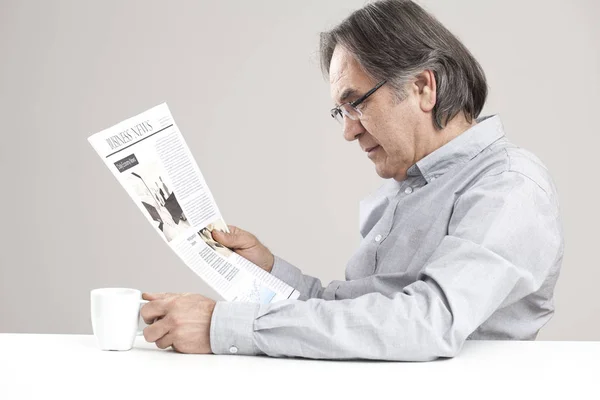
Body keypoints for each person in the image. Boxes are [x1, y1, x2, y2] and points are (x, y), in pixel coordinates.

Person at [140, 0, 563, 361]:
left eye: (356, 103)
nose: (349, 131)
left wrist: (223, 326)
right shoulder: (406, 186)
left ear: (422, 87)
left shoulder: (510, 186)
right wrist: (270, 272)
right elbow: (362, 317)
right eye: (340, 112)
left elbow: (426, 323)